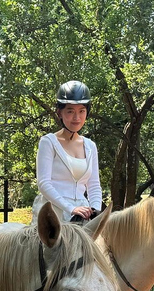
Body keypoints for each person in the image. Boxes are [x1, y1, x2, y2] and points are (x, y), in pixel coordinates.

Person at [31, 80, 102, 223]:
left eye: (81, 111)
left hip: (82, 213)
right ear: (60, 113)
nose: (77, 117)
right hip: (52, 212)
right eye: (70, 111)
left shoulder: (90, 146)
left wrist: (95, 210)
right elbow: (44, 183)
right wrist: (70, 208)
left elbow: (94, 185)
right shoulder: (48, 142)